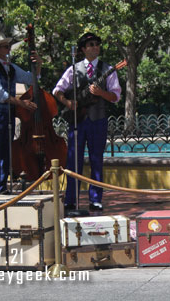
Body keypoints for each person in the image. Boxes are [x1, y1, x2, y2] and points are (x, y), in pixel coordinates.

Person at [53, 32, 121, 211]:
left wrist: (101, 93)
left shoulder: (107, 69)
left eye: (97, 44)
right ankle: (70, 199)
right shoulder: (73, 69)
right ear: (83, 49)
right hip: (78, 120)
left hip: (98, 120)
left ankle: (96, 199)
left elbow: (116, 96)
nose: (95, 47)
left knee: (96, 160)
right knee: (73, 160)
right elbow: (57, 90)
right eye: (91, 45)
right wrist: (67, 102)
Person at [0, 32, 41, 194]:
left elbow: (31, 78)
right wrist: (23, 103)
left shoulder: (12, 68)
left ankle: (2, 185)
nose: (8, 48)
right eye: (5, 46)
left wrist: (39, 64)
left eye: (8, 46)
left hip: (9, 113)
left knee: (7, 149)